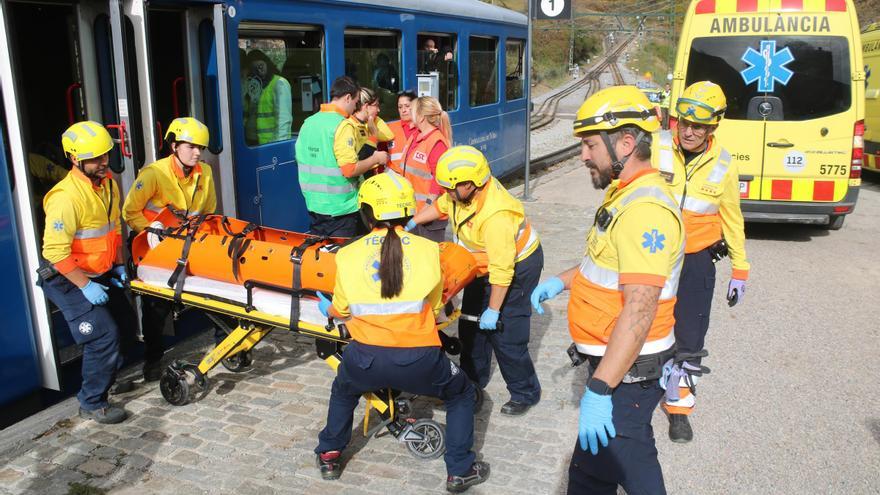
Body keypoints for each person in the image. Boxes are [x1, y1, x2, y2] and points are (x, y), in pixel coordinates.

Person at [530, 86, 684, 494]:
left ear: (626, 143)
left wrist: (599, 388)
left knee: (627, 462)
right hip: (617, 367)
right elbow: (606, 263)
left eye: (590, 145)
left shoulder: (644, 210)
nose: (583, 156)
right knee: (592, 471)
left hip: (628, 374)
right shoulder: (625, 193)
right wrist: (560, 282)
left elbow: (640, 308)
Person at [314, 172, 489, 493]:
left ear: (366, 215)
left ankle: (329, 454)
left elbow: (341, 310)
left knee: (344, 390)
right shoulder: (429, 251)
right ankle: (461, 469)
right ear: (408, 213)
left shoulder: (348, 255)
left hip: (364, 359)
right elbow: (436, 308)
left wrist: (326, 309)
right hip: (420, 361)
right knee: (461, 393)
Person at [408, 146, 543, 416]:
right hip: (480, 264)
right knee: (470, 325)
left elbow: (503, 270)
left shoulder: (496, 215)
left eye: (449, 187)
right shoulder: (461, 196)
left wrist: (493, 310)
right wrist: (412, 223)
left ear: (469, 184)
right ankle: (471, 380)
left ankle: (525, 391)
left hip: (517, 268)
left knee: (505, 333)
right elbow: (441, 206)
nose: (446, 192)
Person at [655, 80, 749, 443]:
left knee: (689, 336)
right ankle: (632, 393)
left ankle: (678, 407)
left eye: (699, 126)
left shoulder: (723, 165)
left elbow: (732, 219)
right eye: (684, 122)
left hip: (695, 261)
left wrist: (740, 269)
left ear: (713, 126)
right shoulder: (656, 145)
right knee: (641, 324)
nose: (689, 132)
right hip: (653, 254)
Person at [38, 121, 135, 424]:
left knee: (126, 323)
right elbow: (54, 252)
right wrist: (85, 286)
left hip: (99, 270)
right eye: (95, 158)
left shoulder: (108, 185)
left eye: (105, 154)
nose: (103, 162)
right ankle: (92, 402)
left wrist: (118, 264)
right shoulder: (65, 197)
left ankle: (109, 378)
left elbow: (114, 231)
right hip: (66, 277)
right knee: (103, 335)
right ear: (75, 159)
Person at [122, 117, 218, 381]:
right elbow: (129, 212)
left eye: (201, 147)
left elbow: (208, 212)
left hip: (191, 245)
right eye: (191, 146)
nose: (197, 153)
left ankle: (225, 345)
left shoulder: (204, 173)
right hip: (158, 250)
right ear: (174, 145)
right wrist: (151, 228)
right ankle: (153, 361)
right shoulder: (155, 174)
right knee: (156, 308)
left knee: (216, 294)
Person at [295, 76, 388, 237]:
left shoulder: (308, 123)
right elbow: (349, 169)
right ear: (347, 98)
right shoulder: (342, 125)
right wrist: (376, 159)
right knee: (344, 256)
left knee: (323, 255)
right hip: (341, 209)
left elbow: (301, 159)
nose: (355, 108)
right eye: (356, 102)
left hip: (314, 206)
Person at [394, 96, 451, 242]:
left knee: (429, 261)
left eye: (412, 110)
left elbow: (439, 181)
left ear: (420, 117)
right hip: (414, 213)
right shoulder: (416, 137)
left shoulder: (436, 143)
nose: (407, 112)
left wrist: (426, 209)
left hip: (428, 218)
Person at [243, 49, 292, 145]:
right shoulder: (253, 86)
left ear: (267, 64)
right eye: (254, 69)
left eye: (261, 66)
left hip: (270, 143)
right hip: (251, 140)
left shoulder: (279, 83)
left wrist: (279, 144)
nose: (259, 71)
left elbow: (283, 120)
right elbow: (246, 113)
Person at [348, 87, 394, 167]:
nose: (378, 110)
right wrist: (373, 133)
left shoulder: (363, 123)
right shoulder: (351, 126)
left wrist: (373, 120)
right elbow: (361, 158)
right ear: (366, 106)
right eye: (376, 105)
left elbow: (389, 135)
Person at [387, 90, 418, 167]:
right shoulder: (389, 128)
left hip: (415, 177)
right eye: (400, 107)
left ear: (416, 107)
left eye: (407, 106)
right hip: (393, 176)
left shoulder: (422, 128)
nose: (403, 110)